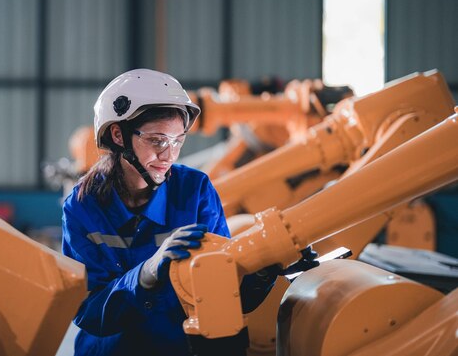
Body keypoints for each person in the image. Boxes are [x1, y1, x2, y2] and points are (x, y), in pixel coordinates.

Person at [62, 69, 315, 356]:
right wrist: (145, 274)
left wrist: (264, 272)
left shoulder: (195, 191)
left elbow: (221, 292)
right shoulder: (83, 206)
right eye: (157, 140)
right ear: (118, 135)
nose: (169, 154)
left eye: (177, 141)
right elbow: (88, 312)